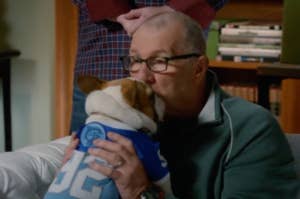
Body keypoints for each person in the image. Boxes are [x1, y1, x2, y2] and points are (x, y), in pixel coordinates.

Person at [83, 12, 300, 198]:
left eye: (159, 61)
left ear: (198, 69)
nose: (141, 76)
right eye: (135, 60)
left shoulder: (252, 128)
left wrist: (141, 192)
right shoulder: (130, 121)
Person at [70, 0, 228, 132]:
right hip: (104, 70)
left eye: (159, 59)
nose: (140, 76)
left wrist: (172, 11)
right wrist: (118, 13)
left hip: (178, 84)